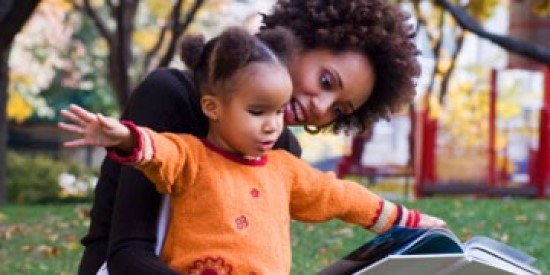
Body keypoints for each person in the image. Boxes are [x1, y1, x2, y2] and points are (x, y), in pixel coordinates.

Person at [77, 1, 432, 274]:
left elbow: (334, 199)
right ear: (299, 40)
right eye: (326, 81)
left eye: (339, 110)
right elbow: (127, 254)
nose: (320, 108)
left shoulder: (279, 151)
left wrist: (409, 224)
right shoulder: (169, 95)